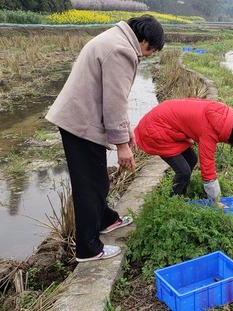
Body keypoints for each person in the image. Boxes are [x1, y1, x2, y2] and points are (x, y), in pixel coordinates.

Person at [45, 16, 164, 262]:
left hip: (81, 118)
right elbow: (114, 100)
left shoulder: (114, 38)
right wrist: (122, 145)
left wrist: (125, 129)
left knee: (97, 180)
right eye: (149, 50)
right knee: (88, 186)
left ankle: (105, 219)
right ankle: (88, 249)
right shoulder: (122, 50)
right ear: (143, 40)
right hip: (80, 123)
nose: (147, 56)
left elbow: (112, 98)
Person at [134, 98, 233, 200]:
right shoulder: (210, 131)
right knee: (184, 171)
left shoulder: (220, 113)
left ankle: (181, 192)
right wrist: (216, 199)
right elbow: (208, 167)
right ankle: (173, 200)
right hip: (156, 129)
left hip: (166, 120)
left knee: (191, 159)